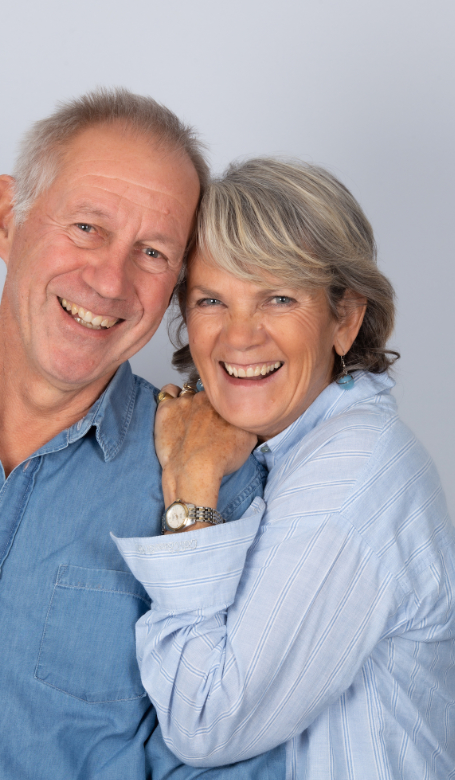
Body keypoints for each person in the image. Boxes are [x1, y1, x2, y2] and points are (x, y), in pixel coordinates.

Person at [0, 92, 287, 779]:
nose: (109, 281)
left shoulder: (218, 480)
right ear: (7, 219)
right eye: (87, 227)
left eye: (152, 252)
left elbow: (232, 757)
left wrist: (194, 507)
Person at [115, 158, 455, 779]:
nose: (240, 338)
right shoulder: (291, 449)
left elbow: (206, 722)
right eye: (212, 299)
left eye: (278, 297)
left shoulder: (352, 474)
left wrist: (191, 483)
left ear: (345, 319)